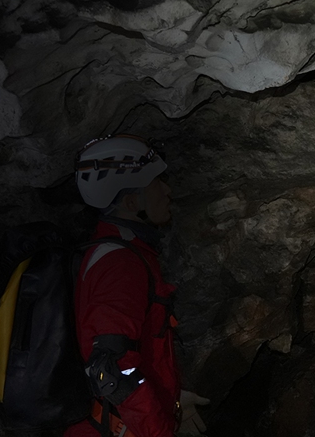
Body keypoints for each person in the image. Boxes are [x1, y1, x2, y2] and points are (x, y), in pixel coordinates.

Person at [66, 135, 208, 437]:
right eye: (157, 182)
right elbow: (112, 368)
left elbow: (137, 352)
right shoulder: (120, 263)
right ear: (132, 202)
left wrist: (170, 399)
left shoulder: (124, 250)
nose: (167, 190)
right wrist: (158, 431)